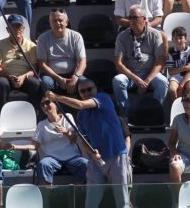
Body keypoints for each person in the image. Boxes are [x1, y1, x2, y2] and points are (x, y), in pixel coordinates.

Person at [47, 79, 131, 208]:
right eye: (82, 91)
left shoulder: (103, 98)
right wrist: (91, 153)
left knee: (122, 201)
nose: (86, 92)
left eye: (89, 89)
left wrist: (56, 97)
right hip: (96, 161)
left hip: (117, 156)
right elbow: (82, 139)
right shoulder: (81, 116)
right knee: (91, 202)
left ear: (95, 89)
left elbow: (80, 104)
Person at [7, 96, 87, 186]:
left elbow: (74, 139)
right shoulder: (41, 125)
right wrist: (14, 146)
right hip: (53, 159)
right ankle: (49, 192)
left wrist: (66, 132)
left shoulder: (67, 117)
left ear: (56, 104)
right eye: (42, 105)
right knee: (43, 164)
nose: (45, 106)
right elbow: (34, 146)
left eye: (48, 102)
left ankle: (76, 189)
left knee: (85, 164)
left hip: (72, 157)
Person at [112, 5, 168, 117]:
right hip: (131, 75)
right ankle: (126, 115)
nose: (131, 21)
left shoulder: (155, 34)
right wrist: (137, 79)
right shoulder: (122, 36)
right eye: (130, 17)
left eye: (135, 17)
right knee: (118, 81)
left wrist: (146, 81)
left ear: (144, 19)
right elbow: (119, 63)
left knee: (162, 82)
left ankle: (156, 113)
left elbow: (159, 62)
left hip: (150, 73)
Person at [0, 14, 41, 120]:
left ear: (23, 28)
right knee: (1, 83)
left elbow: (34, 69)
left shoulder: (31, 46)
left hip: (24, 77)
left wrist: (23, 77)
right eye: (13, 27)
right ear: (7, 29)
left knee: (36, 84)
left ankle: (33, 115)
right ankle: (1, 117)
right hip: (6, 76)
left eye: (19, 27)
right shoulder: (0, 44)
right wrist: (10, 76)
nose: (16, 29)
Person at [37, 9, 87, 95]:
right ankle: (49, 107)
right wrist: (59, 79)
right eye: (54, 21)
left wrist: (75, 77)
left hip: (73, 74)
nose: (57, 23)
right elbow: (42, 64)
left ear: (66, 22)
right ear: (50, 23)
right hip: (52, 76)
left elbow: (82, 61)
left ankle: (84, 108)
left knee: (85, 83)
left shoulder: (76, 36)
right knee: (45, 82)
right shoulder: (42, 38)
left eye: (60, 20)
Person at [165, 26, 190, 101]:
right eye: (176, 38)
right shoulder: (170, 52)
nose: (178, 41)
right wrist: (185, 68)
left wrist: (182, 85)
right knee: (172, 89)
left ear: (185, 39)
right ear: (172, 39)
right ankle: (175, 108)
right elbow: (171, 71)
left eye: (180, 38)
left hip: (188, 76)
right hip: (175, 77)